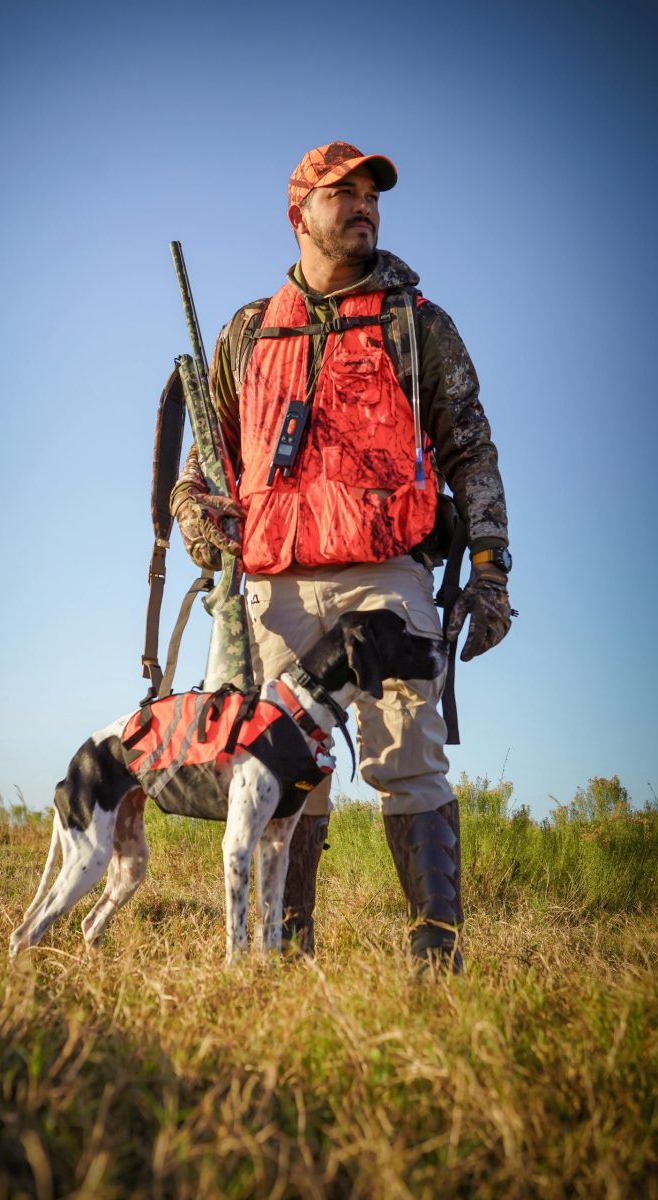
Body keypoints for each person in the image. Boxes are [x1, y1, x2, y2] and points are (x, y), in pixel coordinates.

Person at [170, 141, 512, 971]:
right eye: (343, 193)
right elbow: (199, 470)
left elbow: (470, 449)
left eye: (371, 194)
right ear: (300, 215)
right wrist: (199, 517)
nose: (364, 205)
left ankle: (439, 952)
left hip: (386, 574)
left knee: (410, 756)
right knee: (292, 774)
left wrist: (492, 572)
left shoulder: (416, 322)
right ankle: (288, 953)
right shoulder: (247, 333)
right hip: (274, 586)